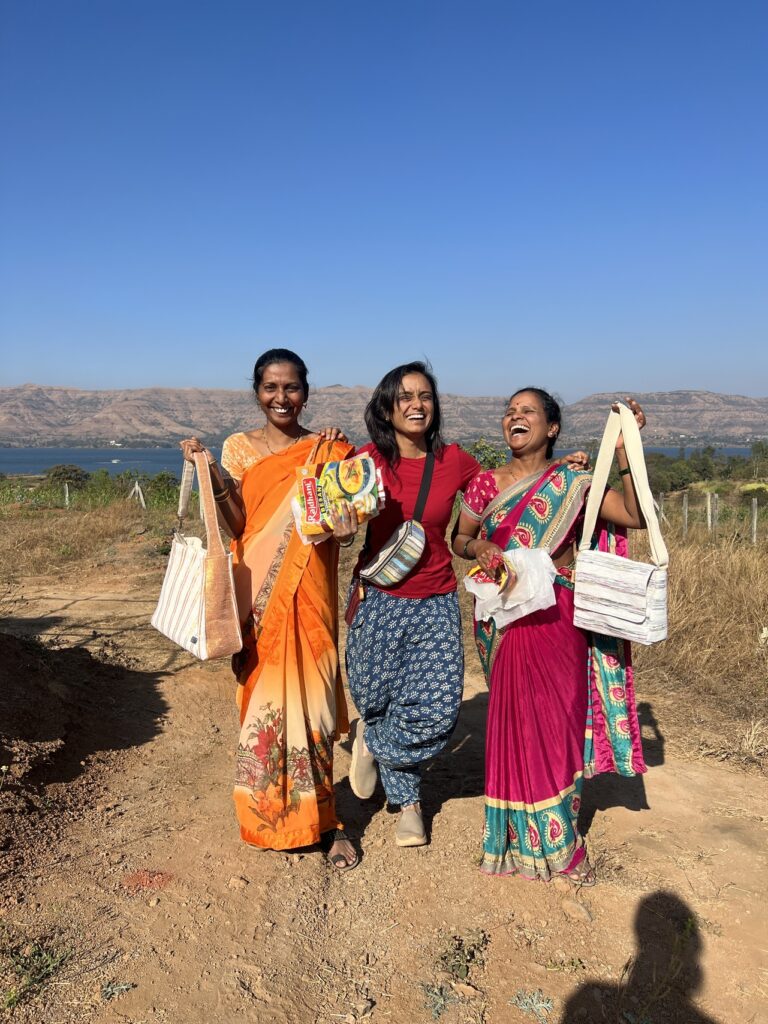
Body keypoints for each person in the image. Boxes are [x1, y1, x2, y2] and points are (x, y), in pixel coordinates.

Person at [342, 363, 588, 848]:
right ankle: (405, 796)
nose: (416, 405)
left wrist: (563, 470)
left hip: (434, 597)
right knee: (376, 700)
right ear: (386, 407)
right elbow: (327, 512)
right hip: (377, 596)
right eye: (405, 396)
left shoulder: (456, 461)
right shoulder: (363, 461)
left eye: (425, 396)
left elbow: (513, 484)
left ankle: (378, 750)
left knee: (436, 711)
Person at [452, 387, 648, 884]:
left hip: (558, 610)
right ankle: (515, 838)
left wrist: (625, 454)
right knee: (515, 719)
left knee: (558, 719)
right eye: (510, 412)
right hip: (504, 613)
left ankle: (558, 839)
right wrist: (478, 546)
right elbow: (458, 538)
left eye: (528, 412)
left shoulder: (575, 479)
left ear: (552, 427)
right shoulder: (484, 484)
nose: (515, 418)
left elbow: (634, 516)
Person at [179, 349, 359, 870]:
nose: (282, 398)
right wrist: (210, 468)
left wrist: (345, 520)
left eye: (292, 387)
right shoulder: (239, 449)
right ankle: (267, 816)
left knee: (316, 707)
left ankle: (326, 821)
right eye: (270, 387)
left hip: (313, 594)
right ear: (257, 391)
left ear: (307, 391)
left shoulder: (328, 449)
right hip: (259, 597)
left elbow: (340, 527)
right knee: (265, 707)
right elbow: (238, 523)